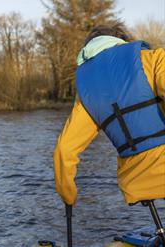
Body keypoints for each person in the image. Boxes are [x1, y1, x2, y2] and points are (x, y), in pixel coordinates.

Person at [53, 24, 165, 207]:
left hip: (134, 179)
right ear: (122, 40)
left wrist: (68, 195)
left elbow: (64, 150)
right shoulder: (153, 58)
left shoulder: (86, 91)